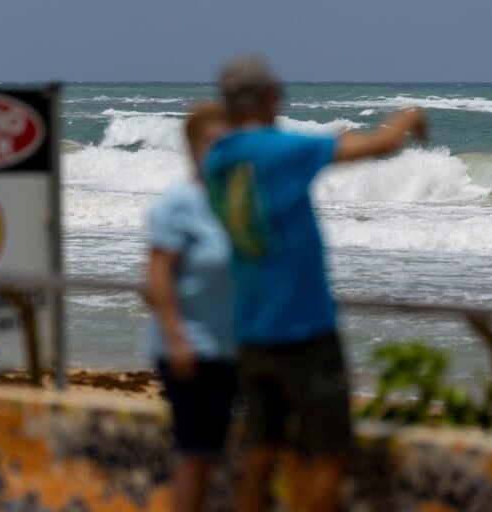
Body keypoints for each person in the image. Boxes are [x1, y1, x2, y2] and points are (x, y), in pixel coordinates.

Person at [204, 57, 428, 512]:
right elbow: (382, 145)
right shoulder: (281, 151)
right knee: (329, 454)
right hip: (302, 328)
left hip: (250, 330)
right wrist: (408, 116)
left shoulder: (218, 160)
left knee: (261, 451)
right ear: (268, 97)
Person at [145, 101, 237, 512]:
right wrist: (177, 338)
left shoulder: (237, 202)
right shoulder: (180, 203)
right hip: (190, 349)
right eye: (212, 142)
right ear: (192, 146)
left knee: (226, 452)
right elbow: (158, 275)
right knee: (197, 455)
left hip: (235, 346)